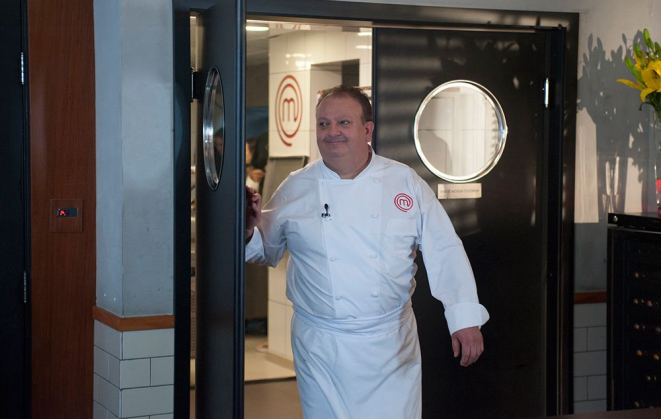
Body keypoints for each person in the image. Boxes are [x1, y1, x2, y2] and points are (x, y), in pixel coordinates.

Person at [245, 85, 489, 418]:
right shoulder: (296, 186)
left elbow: (444, 248)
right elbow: (265, 250)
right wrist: (247, 230)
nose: (332, 133)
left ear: (367, 129)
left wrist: (464, 319)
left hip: (390, 346)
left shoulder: (404, 182)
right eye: (323, 124)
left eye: (343, 123)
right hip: (321, 347)